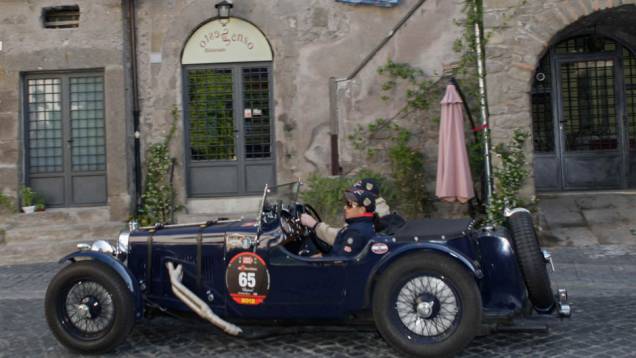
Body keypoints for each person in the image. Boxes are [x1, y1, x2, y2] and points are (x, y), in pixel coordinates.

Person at [300, 187, 376, 256]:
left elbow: (340, 262)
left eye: (349, 204)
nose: (345, 207)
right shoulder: (362, 225)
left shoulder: (355, 232)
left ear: (361, 210)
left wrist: (320, 259)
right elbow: (338, 238)